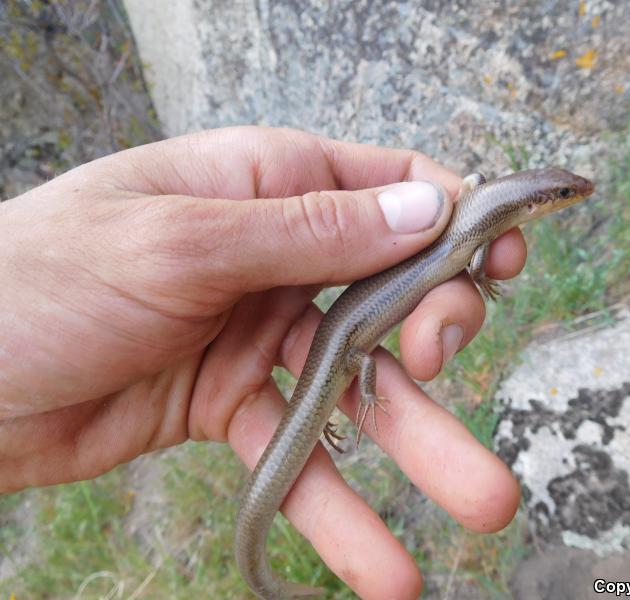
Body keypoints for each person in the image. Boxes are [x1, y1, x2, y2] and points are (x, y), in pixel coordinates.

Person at [0, 126, 521, 599]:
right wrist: (364, 389)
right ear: (526, 206)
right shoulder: (472, 227)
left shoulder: (473, 217)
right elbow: (474, 254)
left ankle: (269, 581)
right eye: (562, 196)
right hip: (345, 349)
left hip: (341, 343)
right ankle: (266, 581)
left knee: (351, 380)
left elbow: (472, 231)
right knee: (356, 371)